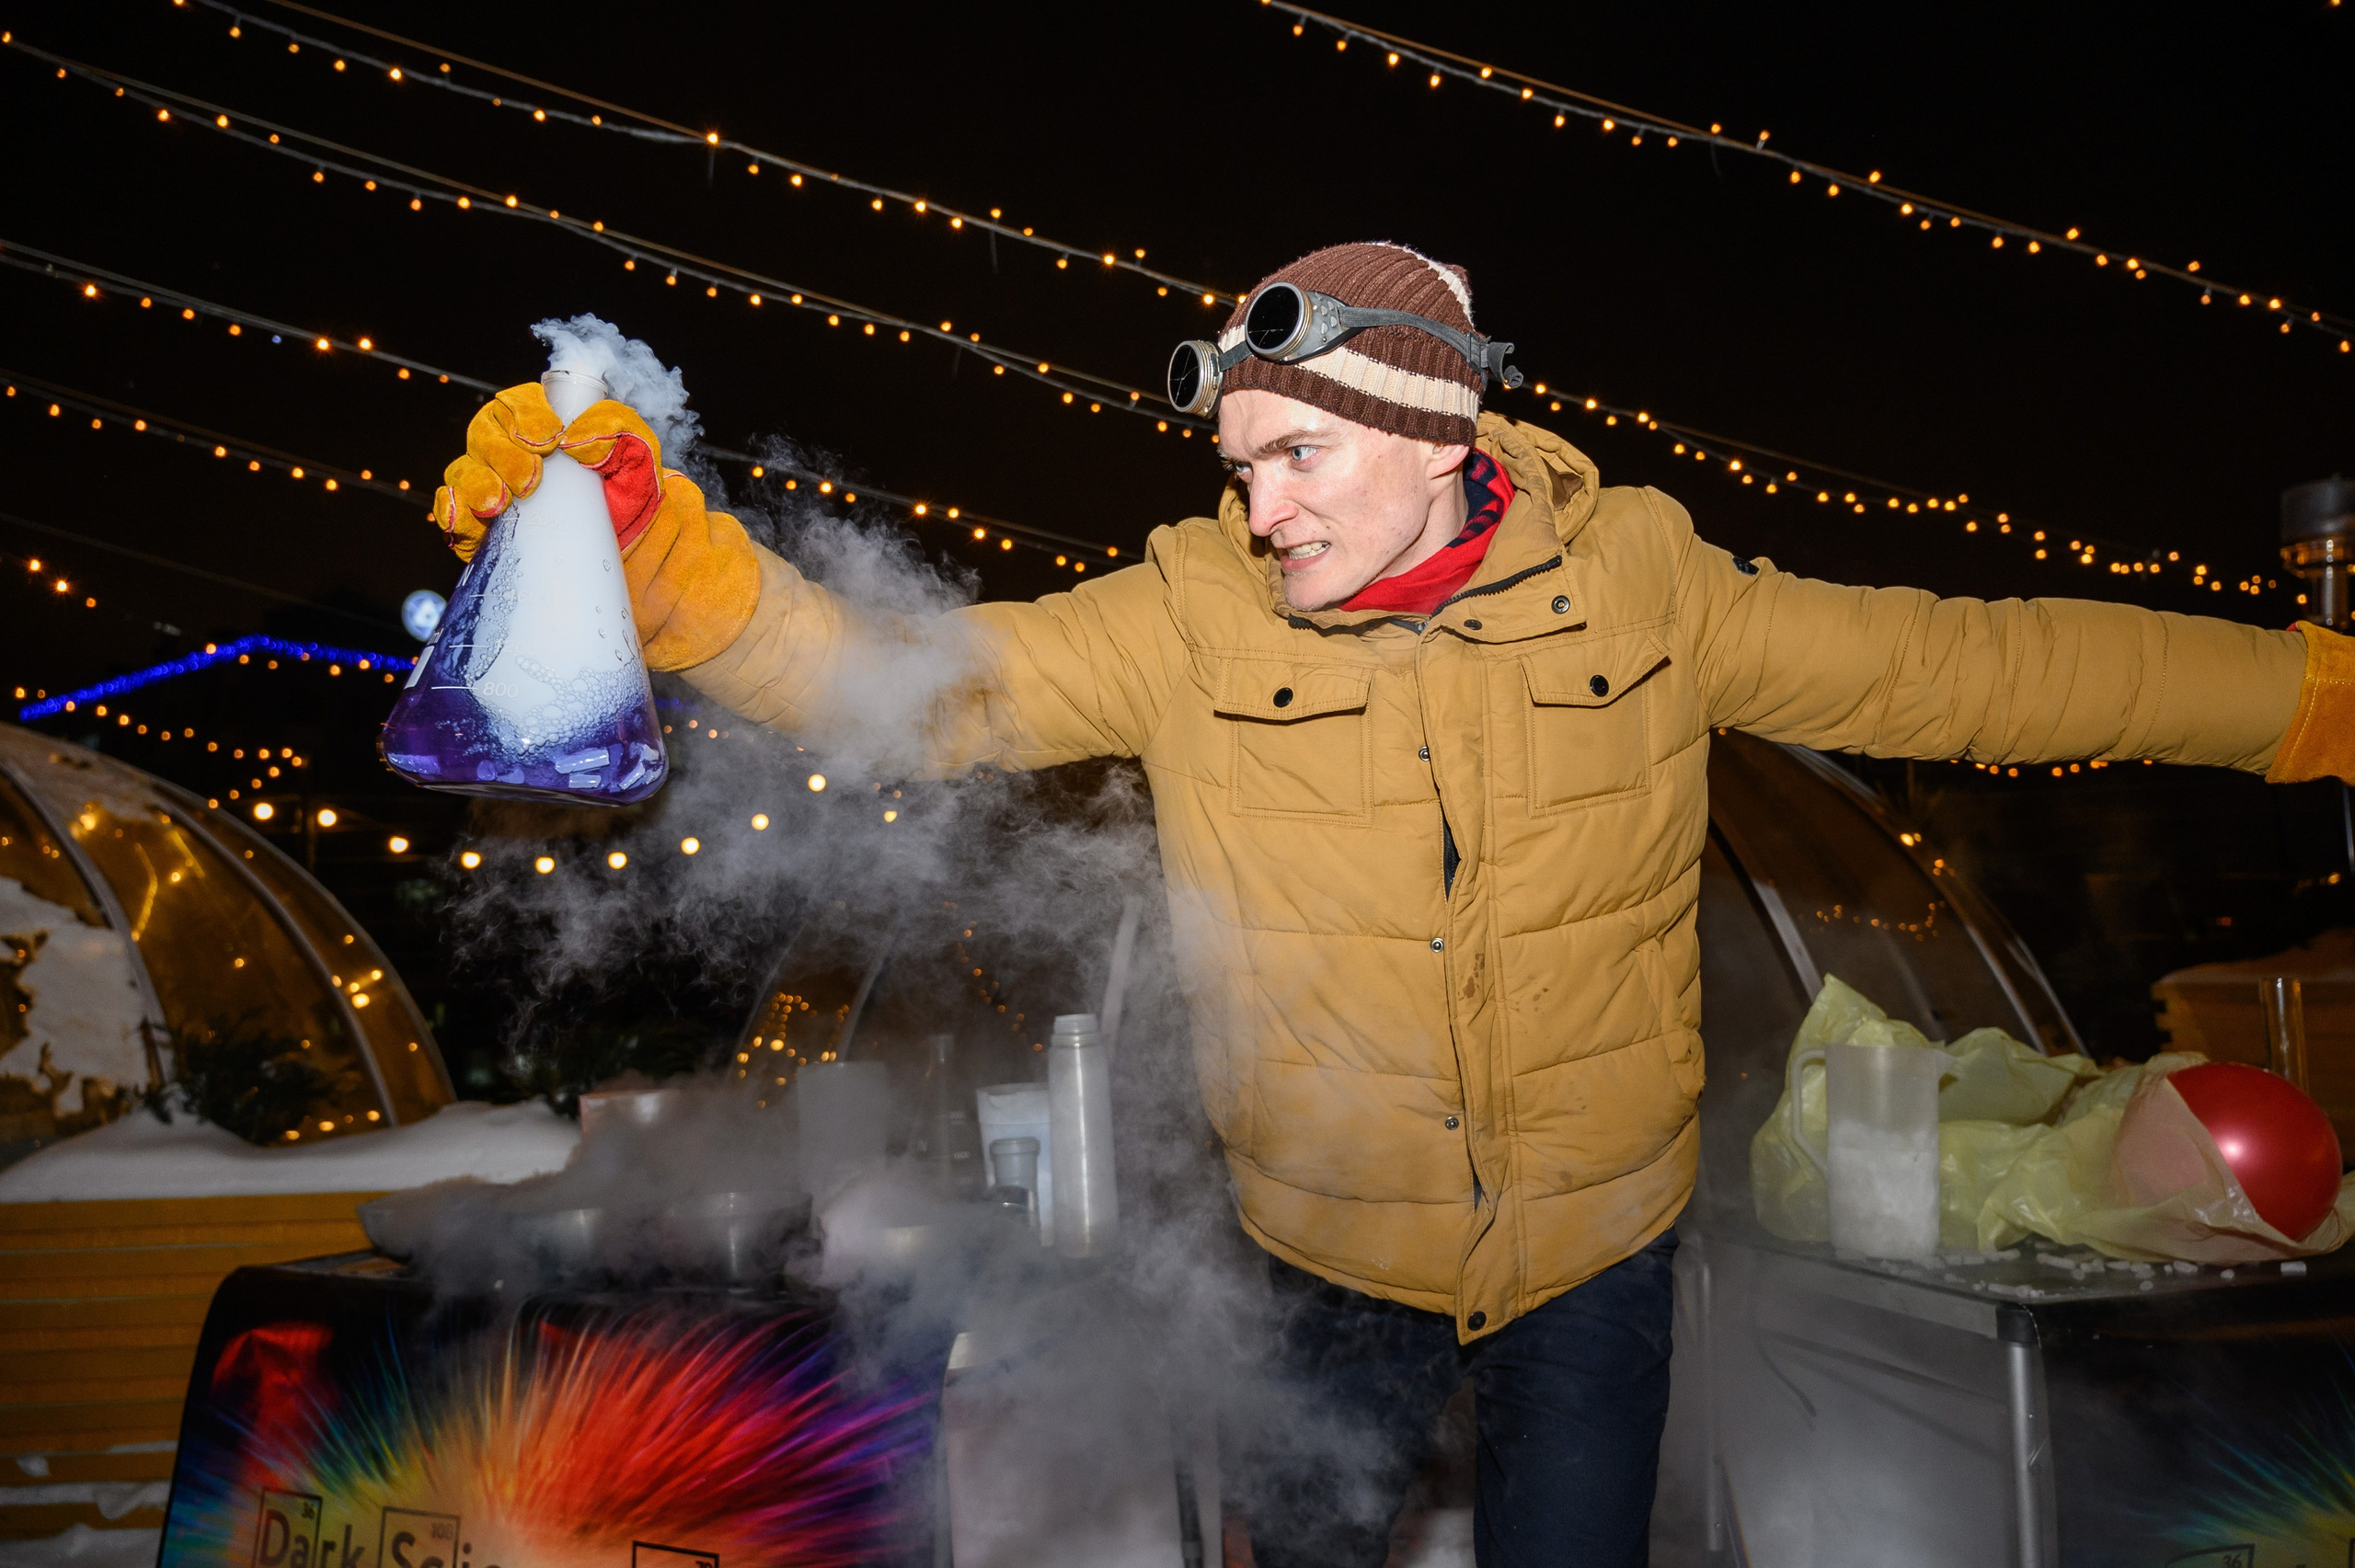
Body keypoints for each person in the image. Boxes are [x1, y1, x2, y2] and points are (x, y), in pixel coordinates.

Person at [431, 241, 2355, 1566]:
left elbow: (1976, 667)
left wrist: (2299, 702)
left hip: (1590, 1254)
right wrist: (685, 588)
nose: (1255, 505)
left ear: (1435, 431)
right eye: (1238, 464)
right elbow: (916, 684)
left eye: (1294, 455)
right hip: (1322, 1253)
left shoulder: (1641, 589)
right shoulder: (1186, 620)